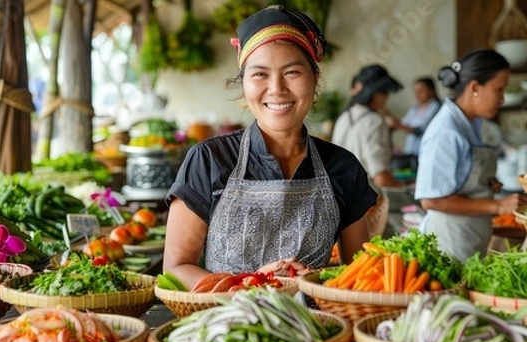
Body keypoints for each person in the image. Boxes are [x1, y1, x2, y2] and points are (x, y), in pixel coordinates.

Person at [162, 5, 377, 289]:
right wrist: (246, 285)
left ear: (315, 80)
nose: (276, 88)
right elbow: (175, 270)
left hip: (316, 329)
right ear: (244, 84)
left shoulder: (344, 168)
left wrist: (316, 283)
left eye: (292, 72)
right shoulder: (209, 159)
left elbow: (361, 275)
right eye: (260, 74)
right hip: (224, 326)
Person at [414, 49, 527, 262]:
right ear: (475, 87)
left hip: (471, 239)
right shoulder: (446, 131)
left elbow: (461, 177)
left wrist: (487, 184)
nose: (503, 99)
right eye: (499, 89)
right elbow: (431, 200)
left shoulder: (472, 123)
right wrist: (498, 205)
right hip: (449, 245)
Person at [331, 64, 406, 188]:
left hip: (343, 193)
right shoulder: (374, 120)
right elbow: (381, 177)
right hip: (367, 197)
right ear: (372, 93)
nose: (387, 96)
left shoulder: (344, 117)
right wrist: (406, 188)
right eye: (384, 91)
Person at [386, 77, 442, 156]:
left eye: (421, 91)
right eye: (415, 91)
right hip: (411, 152)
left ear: (431, 91)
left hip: (426, 153)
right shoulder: (415, 108)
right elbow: (403, 123)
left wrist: (397, 125)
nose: (417, 94)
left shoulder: (436, 107)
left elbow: (419, 130)